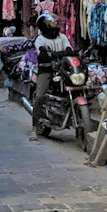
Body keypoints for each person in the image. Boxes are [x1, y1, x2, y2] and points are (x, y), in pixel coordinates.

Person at [30, 12, 72, 142]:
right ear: (45, 24)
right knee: (40, 96)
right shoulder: (40, 40)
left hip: (63, 69)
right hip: (46, 70)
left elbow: (69, 50)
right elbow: (43, 55)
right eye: (51, 21)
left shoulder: (62, 37)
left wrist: (55, 54)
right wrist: (59, 54)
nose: (54, 22)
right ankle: (34, 129)